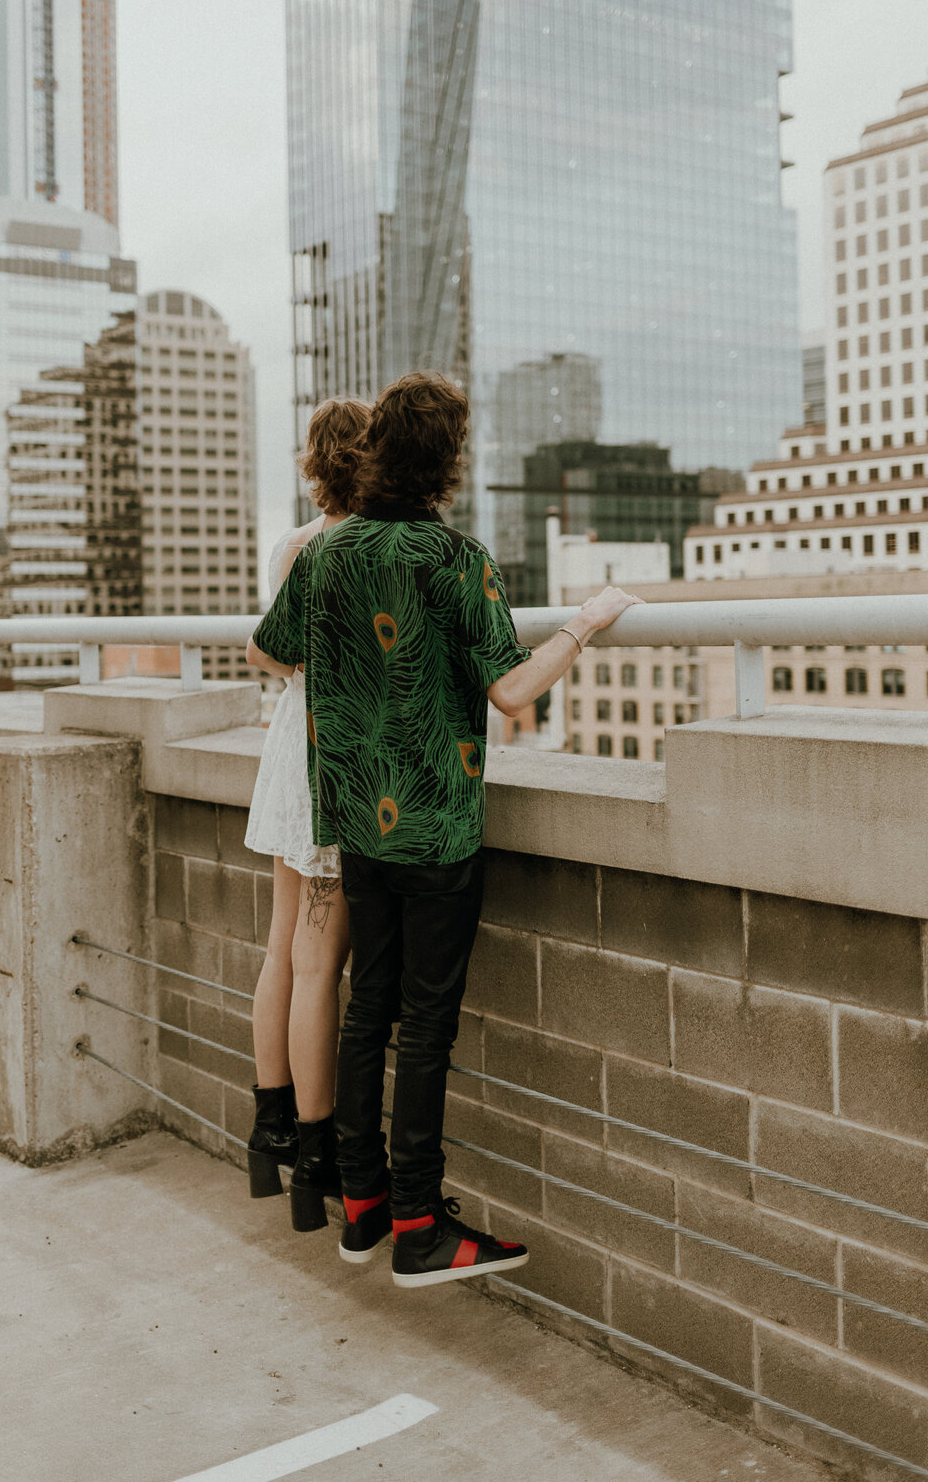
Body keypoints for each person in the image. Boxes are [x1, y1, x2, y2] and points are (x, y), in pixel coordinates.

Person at [250, 371, 639, 1287]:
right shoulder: (455, 556)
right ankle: (422, 1227)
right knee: (423, 1027)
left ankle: (364, 1210)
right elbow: (510, 689)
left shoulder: (329, 553)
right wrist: (583, 625)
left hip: (356, 822)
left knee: (367, 1012)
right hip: (437, 828)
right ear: (449, 463)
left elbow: (270, 650)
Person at [243, 396, 370, 1232]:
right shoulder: (359, 546)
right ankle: (317, 1158)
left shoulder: (294, 543)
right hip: (333, 754)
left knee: (283, 947)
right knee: (323, 963)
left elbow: (262, 649)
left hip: (290, 746)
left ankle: (270, 1127)